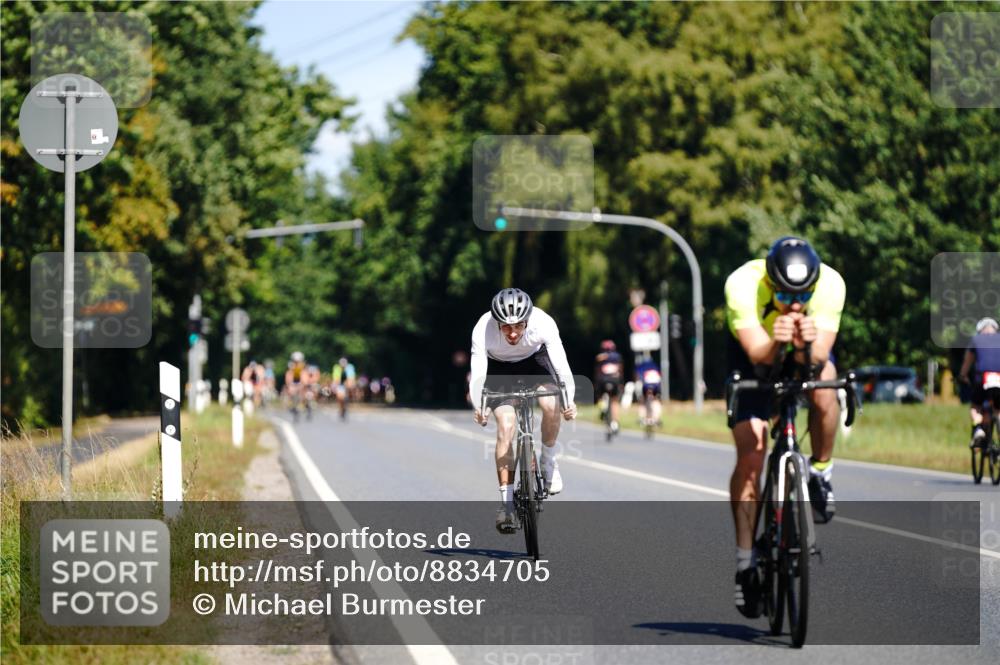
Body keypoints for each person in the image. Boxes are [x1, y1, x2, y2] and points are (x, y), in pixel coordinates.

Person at [724, 236, 845, 618]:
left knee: (827, 385)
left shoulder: (831, 284)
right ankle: (745, 564)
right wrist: (777, 343)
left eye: (803, 295)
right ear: (771, 284)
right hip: (753, 357)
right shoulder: (743, 283)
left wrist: (806, 344)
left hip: (802, 353)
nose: (795, 304)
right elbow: (757, 352)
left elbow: (821, 355)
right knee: (752, 455)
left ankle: (821, 470)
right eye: (786, 295)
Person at [470, 288, 577, 534]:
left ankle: (548, 460)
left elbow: (561, 365)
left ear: (528, 319)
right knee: (506, 426)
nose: (513, 333)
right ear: (496, 323)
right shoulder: (482, 328)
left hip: (534, 362)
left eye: (518, 326)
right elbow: (478, 371)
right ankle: (506, 504)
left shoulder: (543, 323)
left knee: (552, 403)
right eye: (506, 327)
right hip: (499, 369)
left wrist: (568, 401)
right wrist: (480, 406)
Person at [959, 317, 1000, 447]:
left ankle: (978, 428)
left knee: (975, 405)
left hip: (983, 379)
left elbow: (968, 361)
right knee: (998, 409)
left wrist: (962, 376)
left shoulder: (976, 339)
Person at [594, 340, 624, 434]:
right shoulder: (617, 357)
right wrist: (621, 383)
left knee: (600, 396)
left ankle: (602, 407)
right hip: (615, 381)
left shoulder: (600, 357)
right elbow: (620, 371)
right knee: (614, 401)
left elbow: (597, 370)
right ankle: (615, 423)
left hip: (602, 381)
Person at [634, 355, 662, 428]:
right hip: (656, 386)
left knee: (642, 400)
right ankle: (656, 419)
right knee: (656, 400)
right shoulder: (655, 365)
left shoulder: (642, 366)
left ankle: (642, 418)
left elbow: (638, 376)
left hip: (646, 386)